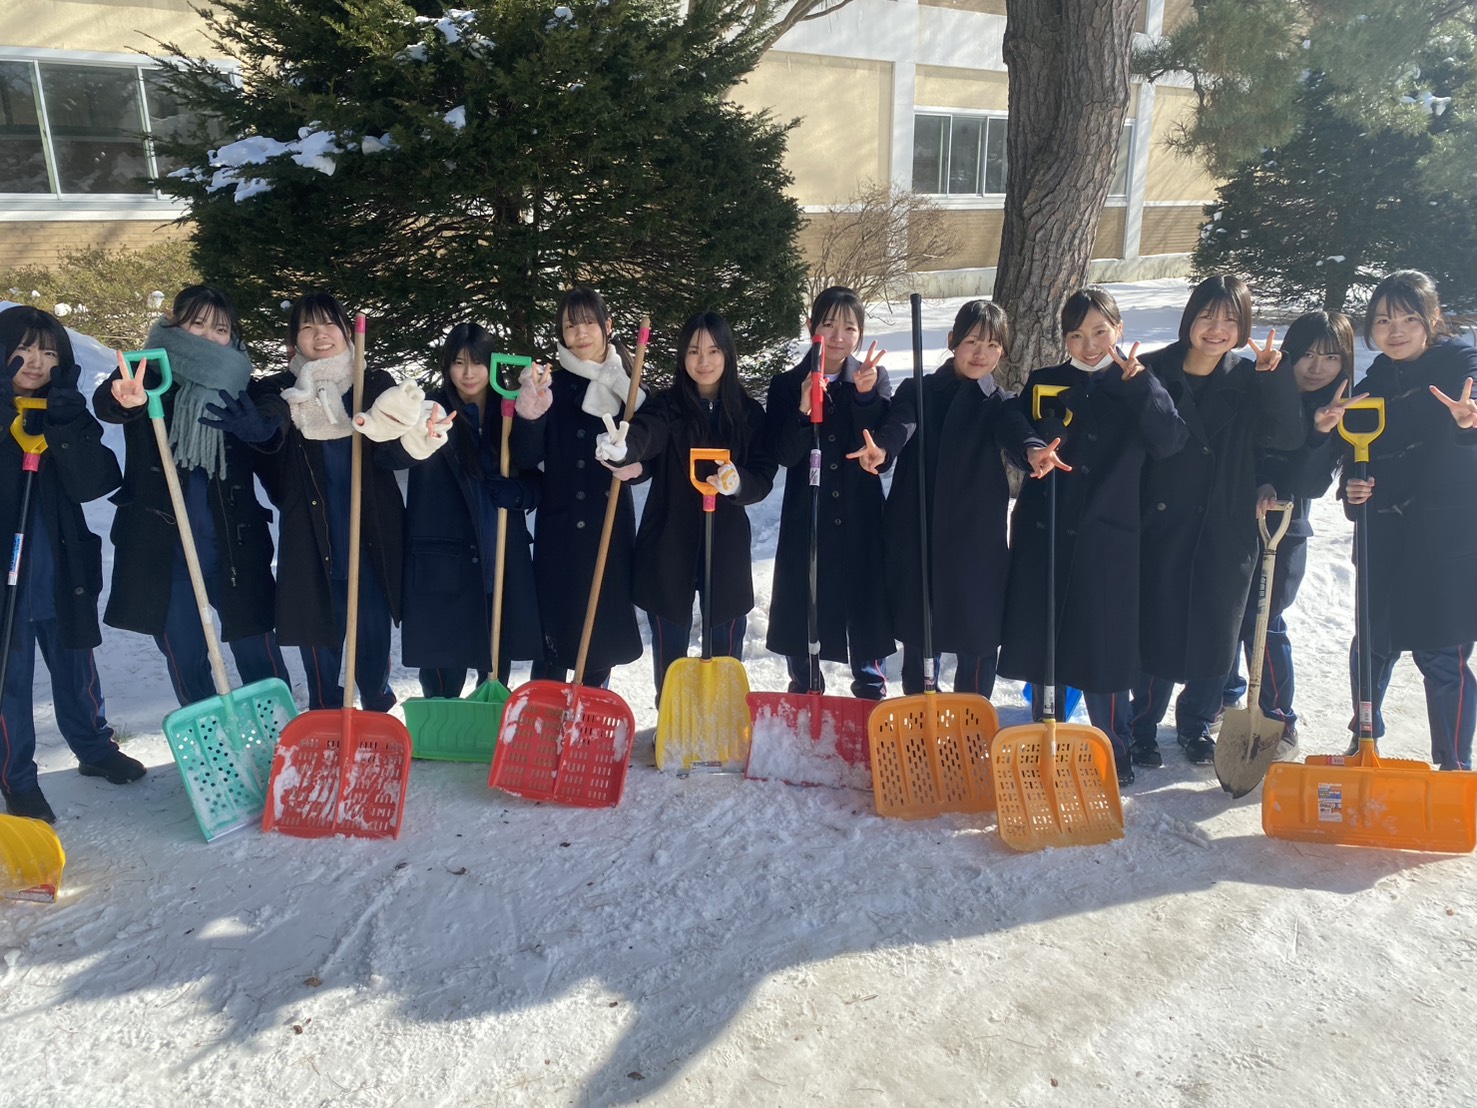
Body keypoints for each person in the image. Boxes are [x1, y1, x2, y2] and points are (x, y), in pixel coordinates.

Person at [996, 288, 1187, 786]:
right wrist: (1032, 447)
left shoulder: (1141, 384)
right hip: (1046, 529)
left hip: (1110, 535)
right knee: (1046, 638)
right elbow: (1013, 426)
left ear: (1118, 331)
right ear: (1065, 338)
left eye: (1100, 331)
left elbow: (1170, 441)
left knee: (1105, 646)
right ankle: (1045, 735)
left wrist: (1143, 387)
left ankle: (1113, 747)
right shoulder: (1046, 382)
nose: (1089, 344)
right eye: (1077, 335)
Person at [1129, 275, 1303, 767]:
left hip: (1226, 519)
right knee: (1155, 624)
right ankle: (1141, 725)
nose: (1217, 328)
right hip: (1161, 517)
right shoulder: (1154, 370)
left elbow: (1286, 438)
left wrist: (1276, 380)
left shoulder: (1249, 379)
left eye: (1230, 319)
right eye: (1207, 315)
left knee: (1217, 628)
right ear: (1190, 318)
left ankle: (1197, 725)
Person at [249, 292, 450, 711]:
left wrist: (421, 440)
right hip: (311, 540)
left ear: (346, 333)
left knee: (372, 635)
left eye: (329, 325)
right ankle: (325, 714)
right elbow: (269, 446)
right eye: (307, 327)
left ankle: (376, 704)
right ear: (294, 342)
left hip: (371, 536)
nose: (320, 335)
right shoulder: (282, 390)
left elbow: (391, 454)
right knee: (318, 635)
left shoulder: (372, 384)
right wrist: (261, 427)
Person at [94, 286, 290, 710]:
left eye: (219, 328)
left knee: (258, 649)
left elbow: (275, 416)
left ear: (232, 335)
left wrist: (261, 428)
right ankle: (209, 742)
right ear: (174, 324)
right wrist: (128, 402)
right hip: (164, 552)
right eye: (196, 323)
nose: (207, 334)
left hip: (233, 548)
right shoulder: (144, 373)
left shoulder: (243, 386)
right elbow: (108, 402)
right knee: (185, 656)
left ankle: (280, 735)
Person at [0, 307, 138, 823]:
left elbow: (96, 482)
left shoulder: (66, 409)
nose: (35, 361)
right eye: (23, 348)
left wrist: (62, 423)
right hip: (7, 573)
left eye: (49, 350)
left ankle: (95, 749)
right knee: (8, 679)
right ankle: (16, 778)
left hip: (62, 567)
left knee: (77, 666)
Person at [595, 311, 776, 702]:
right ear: (683, 356)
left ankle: (725, 710)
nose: (704, 360)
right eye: (694, 351)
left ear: (728, 355)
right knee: (670, 634)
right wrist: (625, 449)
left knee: (726, 628)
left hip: (725, 541)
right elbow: (647, 435)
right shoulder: (668, 406)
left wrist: (738, 482)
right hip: (669, 537)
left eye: (713, 350)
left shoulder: (747, 414)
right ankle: (673, 712)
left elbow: (763, 475)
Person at [1342, 270, 1477, 770]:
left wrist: (1470, 416)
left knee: (1442, 656)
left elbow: (1474, 397)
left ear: (1432, 319)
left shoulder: (1460, 362)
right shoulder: (1374, 380)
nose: (1394, 330)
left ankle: (1454, 767)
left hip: (1444, 539)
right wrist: (1353, 491)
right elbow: (1355, 457)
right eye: (1382, 320)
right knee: (1373, 647)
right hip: (1383, 535)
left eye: (1407, 318)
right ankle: (1364, 745)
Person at [846, 300, 1016, 698]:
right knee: (921, 630)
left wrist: (1032, 451)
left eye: (991, 345)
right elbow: (900, 426)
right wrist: (882, 450)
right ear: (952, 340)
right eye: (972, 340)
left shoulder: (1001, 403)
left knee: (978, 632)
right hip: (917, 532)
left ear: (1002, 352)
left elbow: (1016, 433)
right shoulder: (919, 391)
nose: (980, 353)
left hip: (976, 541)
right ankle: (921, 716)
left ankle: (973, 720)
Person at [1222, 311, 1358, 748]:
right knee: (1226, 612)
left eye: (1331, 358)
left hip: (1286, 527)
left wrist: (1321, 435)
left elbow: (1311, 485)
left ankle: (1279, 714)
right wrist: (1257, 481)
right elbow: (1239, 449)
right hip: (1235, 516)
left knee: (1267, 618)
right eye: (1308, 355)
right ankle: (1224, 695)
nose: (1317, 367)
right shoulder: (1258, 388)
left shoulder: (1339, 406)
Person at [510, 286, 645, 688]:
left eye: (588, 322)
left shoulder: (630, 385)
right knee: (554, 634)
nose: (580, 332)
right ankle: (543, 716)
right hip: (562, 526)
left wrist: (636, 459)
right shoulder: (552, 384)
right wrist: (530, 416)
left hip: (609, 524)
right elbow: (525, 457)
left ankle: (589, 720)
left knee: (601, 633)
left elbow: (649, 449)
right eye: (570, 325)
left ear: (608, 326)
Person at [764, 286, 893, 699]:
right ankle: (805, 687)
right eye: (828, 324)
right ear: (811, 326)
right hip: (809, 512)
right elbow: (784, 453)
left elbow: (880, 450)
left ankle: (871, 690)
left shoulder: (872, 378)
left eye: (849, 327)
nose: (838, 336)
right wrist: (804, 408)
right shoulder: (786, 385)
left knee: (866, 600)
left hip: (860, 511)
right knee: (805, 598)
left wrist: (865, 396)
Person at [401, 323, 542, 697]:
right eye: (459, 362)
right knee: (444, 671)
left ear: (492, 365)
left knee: (494, 663)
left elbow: (537, 474)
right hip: (445, 559)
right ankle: (441, 731)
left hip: (498, 554)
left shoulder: (509, 411)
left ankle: (486, 734)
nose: (468, 373)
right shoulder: (428, 410)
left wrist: (518, 494)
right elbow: (393, 454)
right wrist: (417, 437)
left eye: (477, 363)